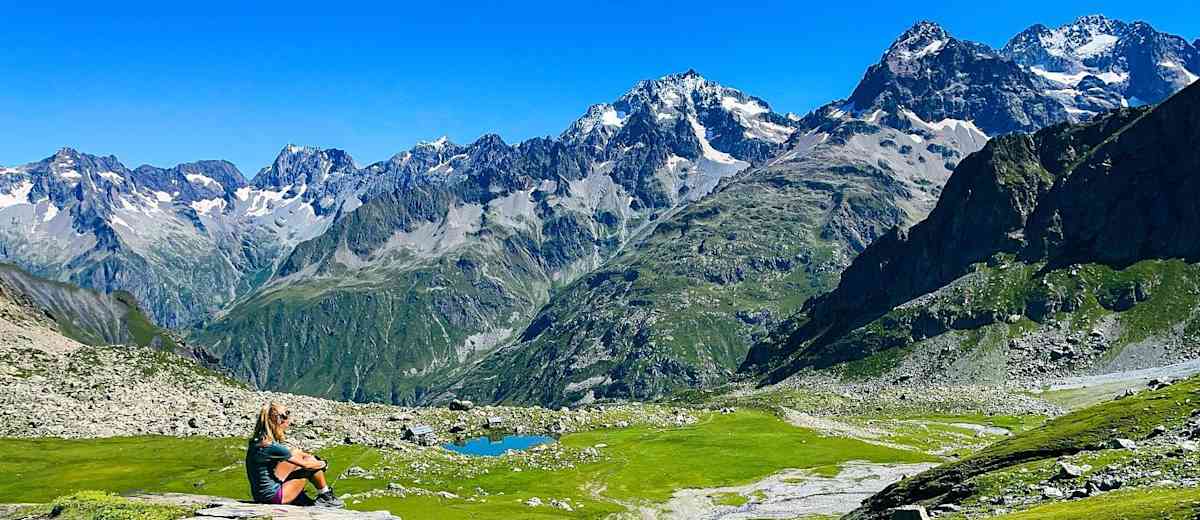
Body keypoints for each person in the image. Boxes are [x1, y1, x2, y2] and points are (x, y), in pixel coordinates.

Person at [246, 402, 344, 507]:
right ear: (278, 420)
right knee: (308, 467)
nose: (289, 419)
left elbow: (293, 455)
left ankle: (300, 497)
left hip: (261, 495)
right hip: (273, 498)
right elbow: (306, 465)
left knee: (297, 454)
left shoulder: (259, 441)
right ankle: (325, 496)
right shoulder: (271, 446)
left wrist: (308, 458)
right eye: (286, 414)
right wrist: (323, 463)